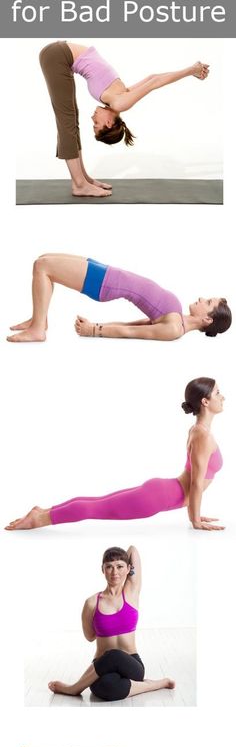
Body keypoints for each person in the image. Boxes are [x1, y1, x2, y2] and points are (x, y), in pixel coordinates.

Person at [5, 379, 225, 533]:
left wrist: (195, 512)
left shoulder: (199, 431)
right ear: (205, 402)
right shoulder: (202, 436)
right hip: (159, 497)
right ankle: (41, 519)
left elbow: (196, 482)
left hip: (163, 491)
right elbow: (196, 483)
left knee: (97, 502)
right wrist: (195, 519)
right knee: (96, 507)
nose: (222, 396)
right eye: (217, 393)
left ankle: (43, 512)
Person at [39, 40, 209, 197]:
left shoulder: (120, 96)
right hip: (57, 56)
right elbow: (155, 81)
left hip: (59, 56)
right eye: (96, 123)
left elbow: (151, 78)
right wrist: (191, 70)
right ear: (108, 123)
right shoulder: (121, 102)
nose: (92, 117)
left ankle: (84, 179)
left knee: (71, 121)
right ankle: (79, 185)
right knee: (67, 122)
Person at [6, 255, 231, 343]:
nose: (203, 298)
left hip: (105, 284)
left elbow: (131, 332)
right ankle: (39, 319)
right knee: (45, 261)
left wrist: (94, 329)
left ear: (208, 320)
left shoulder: (174, 330)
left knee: (43, 266)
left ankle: (38, 329)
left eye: (208, 303)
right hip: (109, 273)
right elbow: (136, 324)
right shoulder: (178, 319)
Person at [48, 545, 175, 702]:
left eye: (120, 566)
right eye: (109, 567)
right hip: (101, 666)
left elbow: (133, 550)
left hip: (132, 665)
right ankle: (151, 685)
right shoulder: (92, 603)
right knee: (106, 688)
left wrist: (122, 560)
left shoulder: (131, 592)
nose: (115, 572)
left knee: (114, 654)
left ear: (129, 568)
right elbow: (90, 637)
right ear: (102, 569)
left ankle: (74, 688)